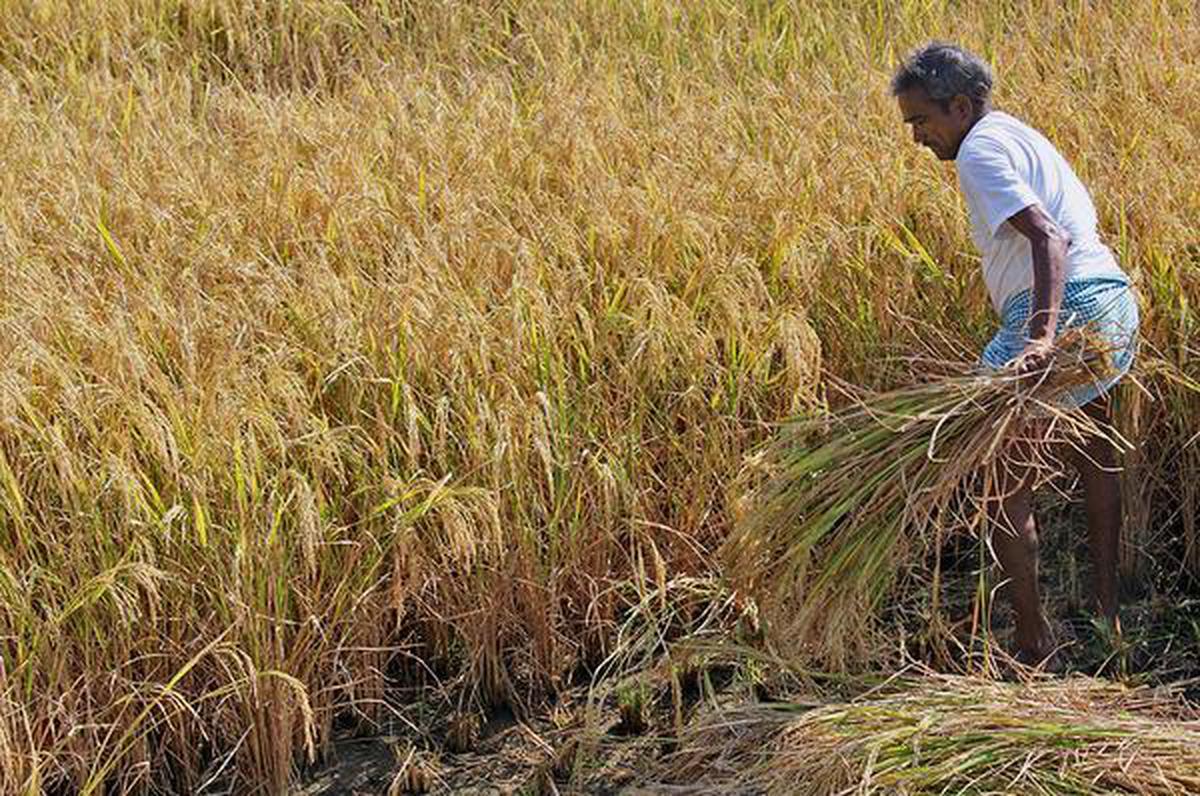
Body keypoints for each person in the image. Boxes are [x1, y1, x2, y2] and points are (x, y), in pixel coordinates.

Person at [890, 42, 1140, 666]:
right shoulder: (1015, 133)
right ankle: (1108, 620)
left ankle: (1034, 645)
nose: (918, 137)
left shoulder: (977, 151)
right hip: (1109, 300)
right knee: (1097, 452)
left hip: (1065, 307)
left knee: (999, 482)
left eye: (922, 120)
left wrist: (1040, 336)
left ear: (960, 104)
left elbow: (1047, 236)